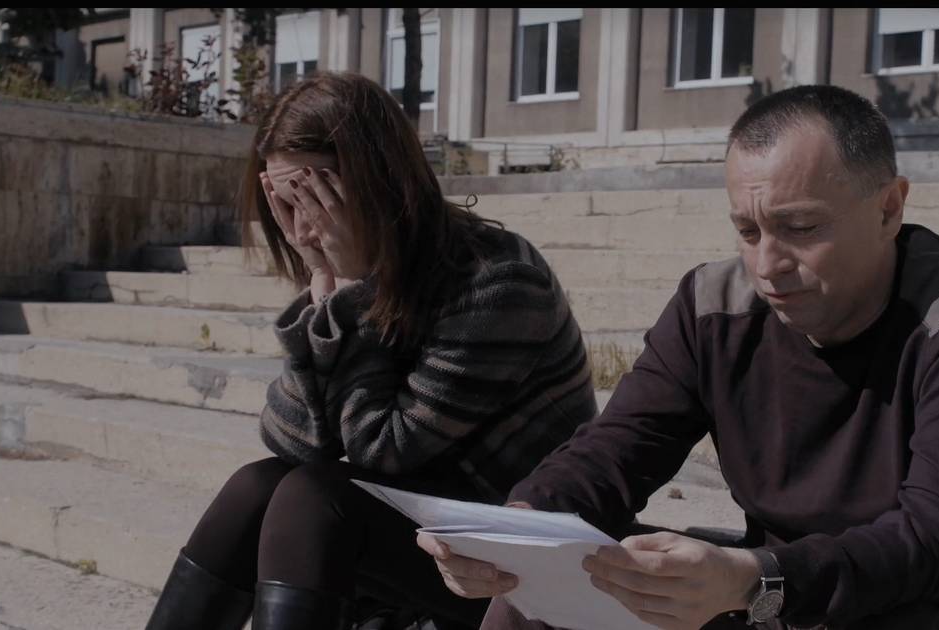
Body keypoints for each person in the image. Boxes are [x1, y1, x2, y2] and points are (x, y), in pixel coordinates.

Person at [419, 84, 939, 630]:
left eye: (801, 228)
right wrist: (519, 530)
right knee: (550, 586)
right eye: (747, 230)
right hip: (775, 590)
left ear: (888, 209)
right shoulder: (713, 305)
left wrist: (754, 579)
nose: (768, 265)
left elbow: (936, 541)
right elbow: (615, 451)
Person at [143, 71, 598, 630]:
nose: (304, 226)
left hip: (510, 557)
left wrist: (354, 289)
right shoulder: (361, 273)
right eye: (286, 201)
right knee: (257, 484)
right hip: (430, 526)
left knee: (316, 497)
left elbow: (383, 451)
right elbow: (293, 441)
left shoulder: (497, 282)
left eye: (316, 195)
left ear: (378, 179)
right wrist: (324, 294)